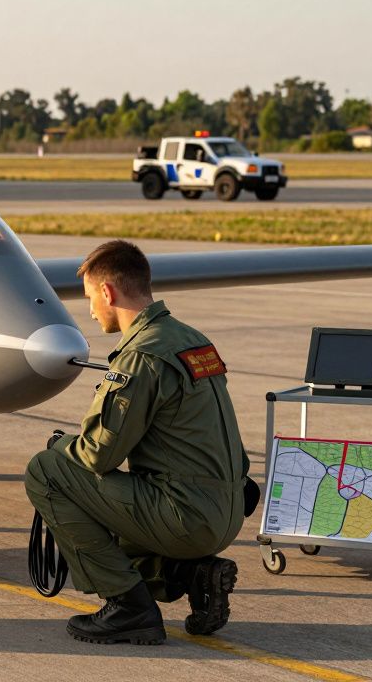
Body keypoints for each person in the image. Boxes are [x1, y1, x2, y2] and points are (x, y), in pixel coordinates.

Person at [24, 240, 248, 645]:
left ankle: (129, 607)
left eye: (91, 298)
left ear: (108, 293)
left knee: (47, 472)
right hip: (225, 512)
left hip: (186, 518)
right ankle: (190, 574)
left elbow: (98, 453)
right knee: (115, 503)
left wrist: (59, 446)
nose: (90, 311)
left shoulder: (141, 356)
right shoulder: (191, 339)